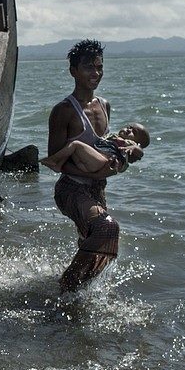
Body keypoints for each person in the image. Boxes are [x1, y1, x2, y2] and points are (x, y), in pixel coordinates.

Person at [47, 39, 127, 291]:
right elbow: (55, 161)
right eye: (89, 67)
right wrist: (91, 172)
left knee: (97, 243)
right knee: (107, 227)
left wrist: (122, 154)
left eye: (99, 67)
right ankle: (65, 287)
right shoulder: (63, 111)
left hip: (97, 189)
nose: (96, 73)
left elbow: (103, 145)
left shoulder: (104, 105)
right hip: (71, 189)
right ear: (73, 71)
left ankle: (76, 293)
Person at [41, 122, 149, 174]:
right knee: (72, 146)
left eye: (134, 132)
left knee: (75, 144)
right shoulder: (113, 136)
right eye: (129, 127)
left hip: (102, 162)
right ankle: (58, 165)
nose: (128, 130)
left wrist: (134, 148)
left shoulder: (129, 144)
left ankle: (53, 160)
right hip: (91, 163)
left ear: (137, 141)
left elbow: (140, 153)